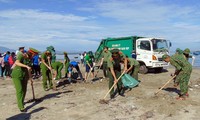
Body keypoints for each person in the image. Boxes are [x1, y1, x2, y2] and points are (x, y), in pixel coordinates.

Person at [11, 47, 39, 112]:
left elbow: (29, 69)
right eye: (34, 55)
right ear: (31, 53)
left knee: (24, 90)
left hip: (24, 75)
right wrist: (26, 66)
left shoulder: (30, 59)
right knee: (20, 90)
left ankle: (21, 101)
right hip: (17, 75)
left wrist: (30, 79)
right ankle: (21, 106)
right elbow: (17, 63)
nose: (34, 56)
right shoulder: (21, 55)